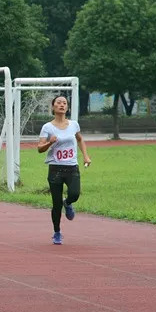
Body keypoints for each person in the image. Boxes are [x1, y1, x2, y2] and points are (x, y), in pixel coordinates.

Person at [37, 95, 91, 245]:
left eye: (64, 103)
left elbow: (80, 139)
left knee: (74, 194)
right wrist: (49, 142)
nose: (62, 105)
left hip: (72, 167)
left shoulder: (74, 125)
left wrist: (86, 156)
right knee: (56, 204)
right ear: (53, 107)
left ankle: (68, 203)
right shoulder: (48, 127)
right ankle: (57, 232)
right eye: (58, 103)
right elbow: (39, 148)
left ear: (67, 107)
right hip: (55, 169)